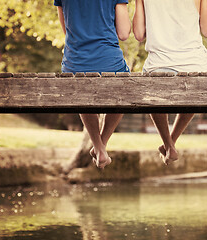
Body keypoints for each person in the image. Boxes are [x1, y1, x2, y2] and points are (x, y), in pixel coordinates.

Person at [133, 0, 207, 164]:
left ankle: (168, 143)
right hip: (194, 63)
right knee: (195, 88)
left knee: (154, 88)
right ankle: (171, 142)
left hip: (159, 63)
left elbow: (138, 34)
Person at [54, 0, 131, 168]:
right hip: (108, 60)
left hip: (74, 62)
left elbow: (66, 30)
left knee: (81, 90)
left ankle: (99, 147)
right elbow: (124, 33)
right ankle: (101, 144)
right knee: (126, 89)